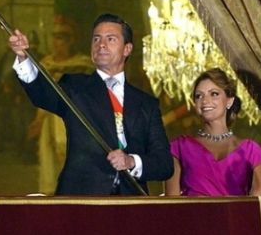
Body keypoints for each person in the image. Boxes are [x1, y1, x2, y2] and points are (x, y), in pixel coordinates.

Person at [9, 13, 173, 195]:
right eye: (96, 39)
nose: (101, 44)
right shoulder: (75, 87)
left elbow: (164, 164)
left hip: (130, 206)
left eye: (110, 39)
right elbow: (42, 94)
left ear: (127, 49)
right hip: (81, 201)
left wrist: (132, 161)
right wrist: (24, 57)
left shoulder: (146, 103)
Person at [164, 68, 261, 196]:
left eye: (214, 94)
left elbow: (257, 204)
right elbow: (171, 203)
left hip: (236, 216)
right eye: (199, 96)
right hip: (192, 216)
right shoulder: (179, 147)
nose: (205, 101)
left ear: (229, 101)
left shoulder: (250, 150)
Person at [27, 18, 94, 194]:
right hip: (50, 118)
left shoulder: (83, 64)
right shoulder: (46, 64)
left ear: (71, 40)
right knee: (50, 160)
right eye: (55, 37)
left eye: (62, 37)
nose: (58, 42)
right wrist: (38, 120)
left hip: (75, 118)